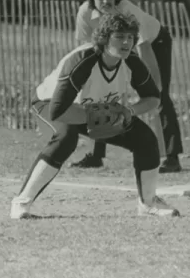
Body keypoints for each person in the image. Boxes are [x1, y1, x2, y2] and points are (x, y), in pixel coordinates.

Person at [10, 11, 181, 219]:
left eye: (130, 37)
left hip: (93, 109)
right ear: (104, 38)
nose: (126, 42)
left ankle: (148, 203)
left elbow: (154, 98)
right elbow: (59, 110)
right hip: (49, 104)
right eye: (119, 37)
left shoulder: (131, 61)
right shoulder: (83, 60)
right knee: (66, 137)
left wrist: (128, 112)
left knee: (145, 139)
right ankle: (21, 203)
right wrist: (99, 115)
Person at [70, 0, 184, 174]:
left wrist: (154, 85)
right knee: (100, 94)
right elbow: (86, 48)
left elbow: (143, 47)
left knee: (160, 96)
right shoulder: (85, 14)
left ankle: (172, 157)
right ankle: (96, 156)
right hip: (115, 47)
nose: (105, 0)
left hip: (154, 43)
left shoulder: (126, 11)